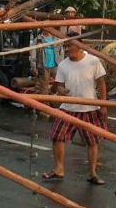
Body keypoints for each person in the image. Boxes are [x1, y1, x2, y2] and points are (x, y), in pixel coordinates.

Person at [42, 33, 108, 185]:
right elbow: (59, 85)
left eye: (69, 45)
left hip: (89, 108)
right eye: (65, 46)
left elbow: (101, 83)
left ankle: (92, 173)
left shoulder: (92, 61)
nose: (66, 49)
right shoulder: (63, 65)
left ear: (79, 45)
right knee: (57, 136)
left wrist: (103, 105)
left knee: (92, 141)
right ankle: (58, 169)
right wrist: (61, 90)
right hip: (68, 108)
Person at [29, 29, 64, 95]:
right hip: (43, 66)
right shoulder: (38, 40)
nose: (47, 29)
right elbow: (33, 53)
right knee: (43, 87)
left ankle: (52, 92)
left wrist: (62, 64)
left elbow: (61, 52)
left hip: (55, 65)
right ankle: (44, 100)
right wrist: (33, 65)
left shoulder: (56, 39)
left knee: (60, 82)